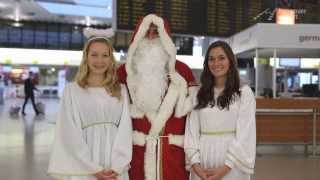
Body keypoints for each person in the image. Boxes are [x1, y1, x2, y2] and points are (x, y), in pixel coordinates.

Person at [117, 14, 197, 180]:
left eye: (157, 32)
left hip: (173, 157)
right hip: (136, 156)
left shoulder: (183, 71)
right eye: (147, 31)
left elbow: (194, 118)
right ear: (138, 36)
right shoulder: (124, 73)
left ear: (166, 37)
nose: (152, 36)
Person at [48, 34, 132, 180]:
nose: (99, 60)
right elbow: (68, 132)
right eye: (94, 55)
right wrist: (92, 168)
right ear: (86, 57)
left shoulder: (121, 90)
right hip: (84, 167)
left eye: (105, 55)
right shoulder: (72, 91)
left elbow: (126, 129)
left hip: (114, 167)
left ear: (111, 59)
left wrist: (118, 165)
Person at [184, 41, 256, 180]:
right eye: (211, 59)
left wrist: (224, 169)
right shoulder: (198, 93)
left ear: (230, 61)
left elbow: (245, 134)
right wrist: (196, 165)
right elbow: (191, 131)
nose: (216, 63)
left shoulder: (243, 93)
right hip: (202, 164)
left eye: (221, 58)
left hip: (232, 165)